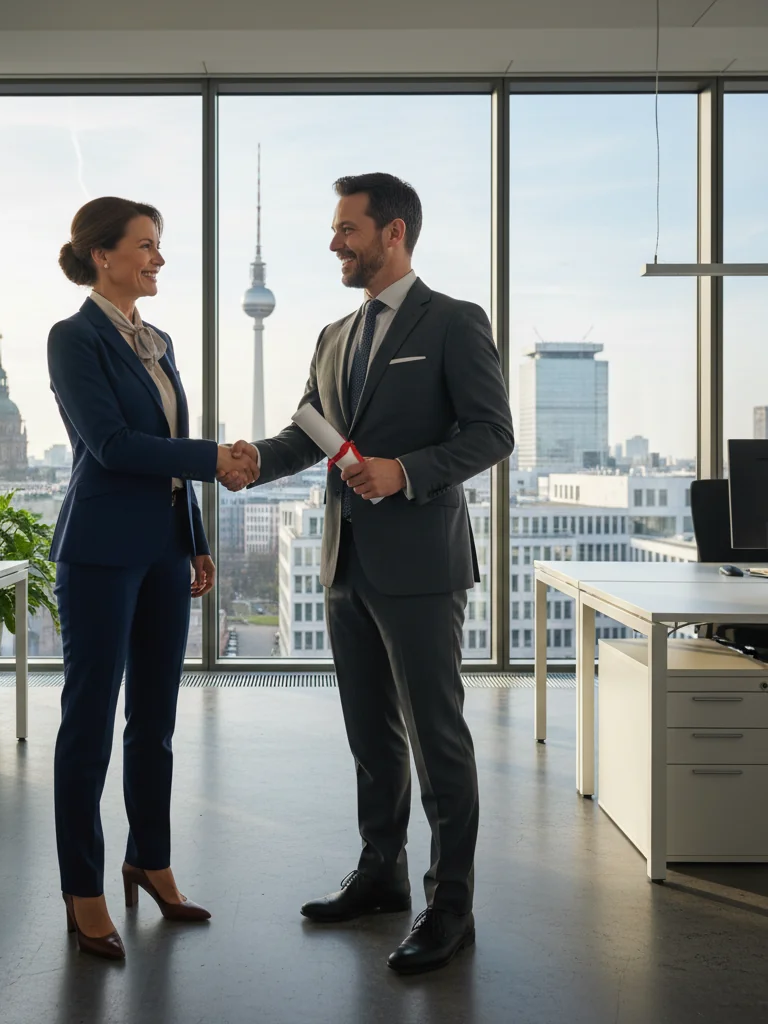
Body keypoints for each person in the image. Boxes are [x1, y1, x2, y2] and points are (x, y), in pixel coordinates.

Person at [224, 173, 514, 974]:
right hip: (345, 560)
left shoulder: (453, 322)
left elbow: (493, 432)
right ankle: (381, 871)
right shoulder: (332, 335)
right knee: (371, 737)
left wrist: (405, 471)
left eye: (346, 229)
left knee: (437, 738)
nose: (333, 243)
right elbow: (308, 432)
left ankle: (449, 903)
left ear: (393, 233)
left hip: (421, 564)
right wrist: (254, 460)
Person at [48, 196, 258, 960]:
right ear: (102, 255)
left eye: (159, 245)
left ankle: (151, 860)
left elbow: (163, 439)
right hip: (101, 549)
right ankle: (83, 888)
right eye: (146, 245)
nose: (158, 257)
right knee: (89, 725)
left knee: (157, 724)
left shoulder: (157, 340)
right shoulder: (74, 339)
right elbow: (110, 444)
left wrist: (195, 537)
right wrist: (215, 457)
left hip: (166, 549)